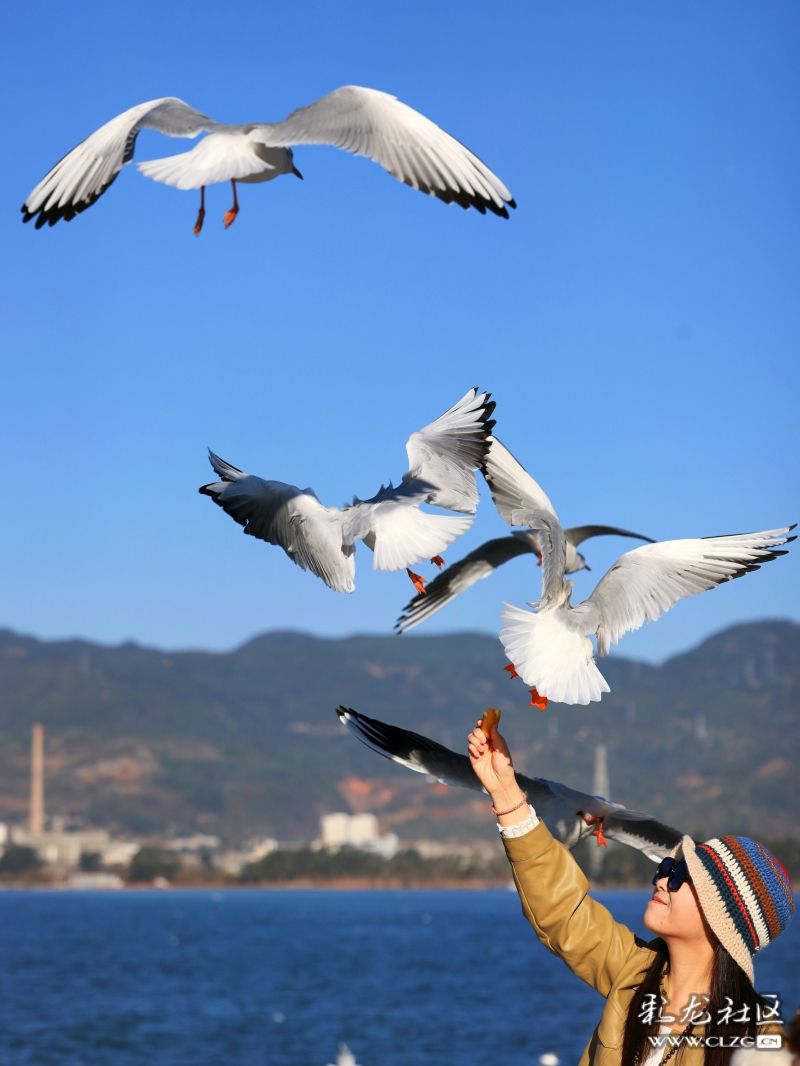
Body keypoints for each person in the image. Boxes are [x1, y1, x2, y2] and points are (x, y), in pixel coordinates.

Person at [467, 717, 795, 1065]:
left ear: (724, 917)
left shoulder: (758, 1039)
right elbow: (563, 912)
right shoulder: (635, 973)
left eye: (681, 873)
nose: (661, 878)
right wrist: (504, 792)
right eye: (667, 867)